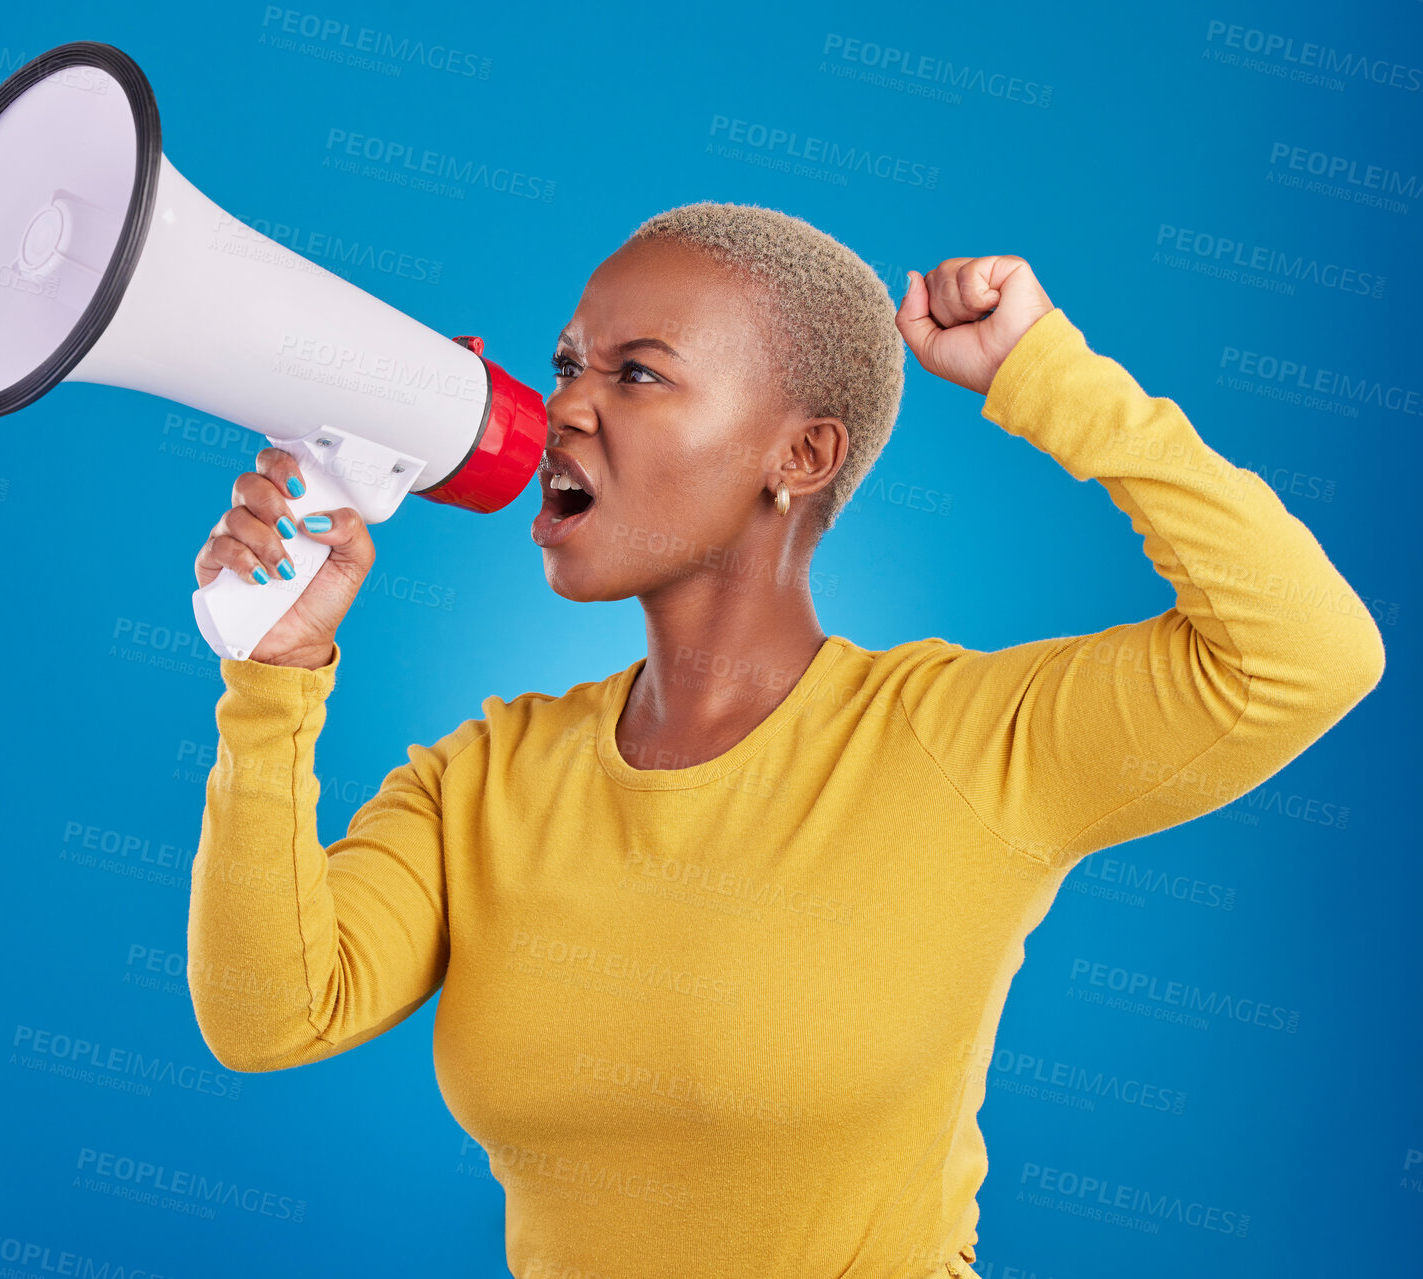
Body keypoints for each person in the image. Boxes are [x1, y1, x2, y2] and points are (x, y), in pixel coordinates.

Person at [186, 203, 1384, 1279]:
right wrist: (273, 674)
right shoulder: (482, 776)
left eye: (637, 374)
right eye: (566, 364)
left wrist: (1044, 375)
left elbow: (1306, 652)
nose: (565, 405)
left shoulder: (961, 742)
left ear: (799, 455)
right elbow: (269, 1012)